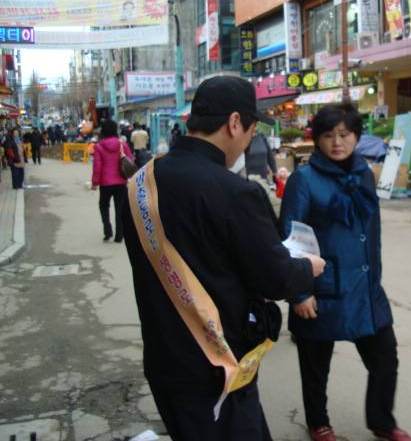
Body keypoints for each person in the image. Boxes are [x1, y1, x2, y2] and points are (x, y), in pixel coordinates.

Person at [121, 75, 325, 441]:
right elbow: (275, 278)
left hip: (164, 360)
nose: (248, 141)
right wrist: (307, 267)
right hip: (218, 368)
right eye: (251, 131)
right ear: (234, 123)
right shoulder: (235, 192)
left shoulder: (141, 183)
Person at [278, 103, 411, 441]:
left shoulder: (364, 173)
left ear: (356, 136)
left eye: (345, 134)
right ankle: (318, 422)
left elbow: (372, 232)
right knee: (315, 365)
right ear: (317, 139)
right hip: (321, 287)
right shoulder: (303, 179)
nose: (337, 142)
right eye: (328, 135)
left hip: (365, 286)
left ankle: (382, 421)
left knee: (385, 358)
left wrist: (375, 278)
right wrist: (300, 293)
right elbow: (291, 237)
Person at [91, 120, 134, 242]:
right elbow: (130, 159)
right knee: (120, 209)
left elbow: (97, 166)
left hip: (105, 183)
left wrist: (95, 182)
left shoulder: (99, 146)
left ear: (103, 132)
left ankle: (107, 231)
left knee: (104, 206)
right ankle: (119, 235)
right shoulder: (122, 144)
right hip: (121, 182)